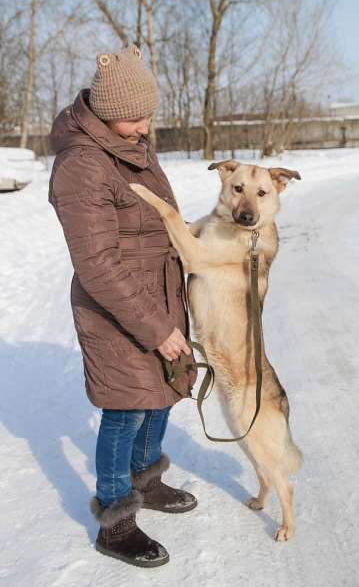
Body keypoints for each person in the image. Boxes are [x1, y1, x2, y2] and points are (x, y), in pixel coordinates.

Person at [48, 45, 198, 568]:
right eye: (136, 118)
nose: (144, 126)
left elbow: (158, 223)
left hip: (156, 295)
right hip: (117, 307)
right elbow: (98, 265)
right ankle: (116, 521)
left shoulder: (131, 144)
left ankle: (147, 482)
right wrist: (156, 327)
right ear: (108, 113)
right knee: (128, 407)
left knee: (160, 393)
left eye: (148, 115)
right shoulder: (81, 165)